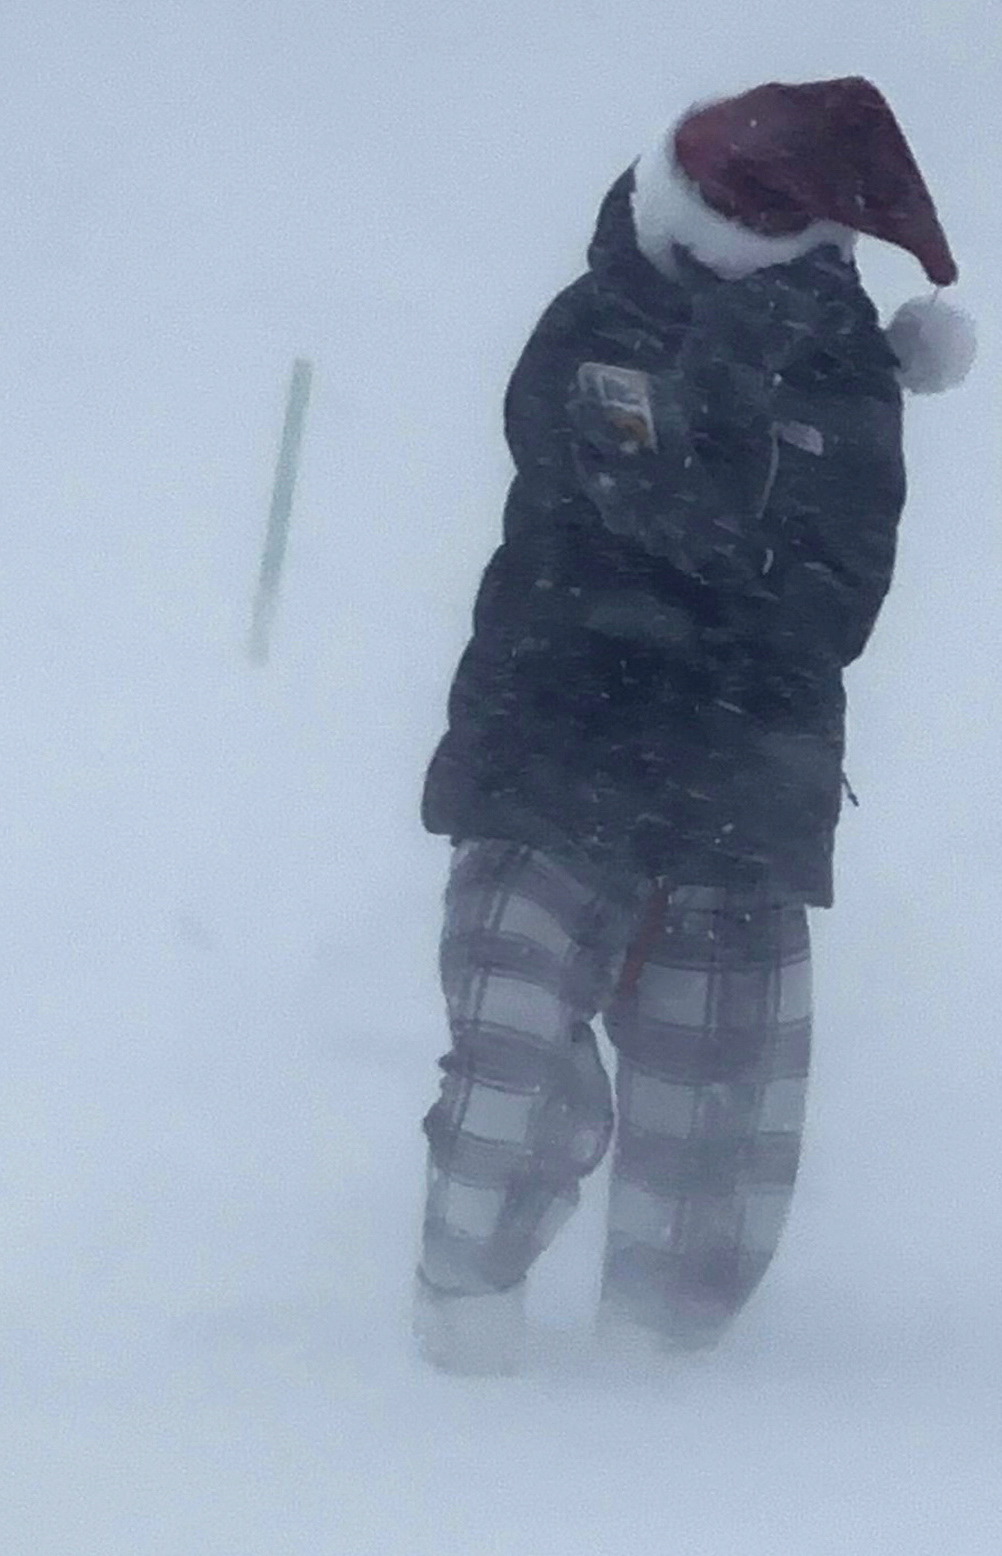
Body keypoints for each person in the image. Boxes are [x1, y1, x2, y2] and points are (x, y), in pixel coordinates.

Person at [414, 77, 974, 1373]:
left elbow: (832, 601)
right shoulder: (595, 325)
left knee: (719, 1133)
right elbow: (647, 512)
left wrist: (765, 393)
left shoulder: (849, 386)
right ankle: (455, 1351)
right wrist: (724, 380)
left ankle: (668, 1417)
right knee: (510, 1072)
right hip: (552, 753)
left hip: (747, 783)